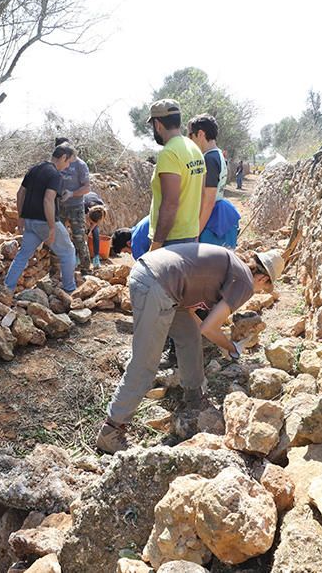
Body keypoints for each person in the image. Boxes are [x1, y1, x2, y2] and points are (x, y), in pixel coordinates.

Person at [95, 245, 285, 453]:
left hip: (155, 274)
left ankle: (194, 396)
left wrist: (220, 339)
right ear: (264, 279)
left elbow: (197, 312)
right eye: (264, 289)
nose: (259, 292)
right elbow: (210, 327)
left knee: (189, 336)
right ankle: (112, 430)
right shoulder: (245, 283)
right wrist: (231, 348)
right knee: (146, 362)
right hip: (157, 284)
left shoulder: (232, 264)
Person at [4, 145, 79, 293]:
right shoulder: (55, 175)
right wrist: (52, 227)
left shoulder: (35, 168)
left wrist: (21, 218)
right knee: (68, 252)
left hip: (30, 221)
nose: (68, 165)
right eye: (69, 161)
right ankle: (69, 290)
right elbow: (48, 200)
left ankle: (7, 289)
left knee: (22, 255)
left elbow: (20, 193)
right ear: (63, 157)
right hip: (45, 222)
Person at [146, 99, 205, 251]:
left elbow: (170, 204)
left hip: (170, 241)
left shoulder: (169, 153)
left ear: (157, 124)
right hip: (190, 236)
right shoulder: (194, 148)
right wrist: (195, 231)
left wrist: (155, 246)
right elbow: (201, 194)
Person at [187, 114, 239, 249]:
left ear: (200, 134)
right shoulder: (218, 155)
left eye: (190, 135)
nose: (189, 140)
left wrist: (196, 233)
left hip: (211, 221)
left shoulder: (209, 159)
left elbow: (209, 200)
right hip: (219, 214)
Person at [53, 137, 94, 275]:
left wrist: (72, 193)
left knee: (79, 238)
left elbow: (87, 188)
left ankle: (85, 269)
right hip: (58, 207)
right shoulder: (55, 164)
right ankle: (55, 271)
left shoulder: (80, 165)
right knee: (56, 237)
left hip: (75, 207)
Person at [85, 204, 106, 269]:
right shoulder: (84, 206)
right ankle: (77, 256)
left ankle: (96, 257)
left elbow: (95, 223)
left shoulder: (101, 212)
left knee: (96, 231)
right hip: (86, 210)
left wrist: (90, 230)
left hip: (93, 214)